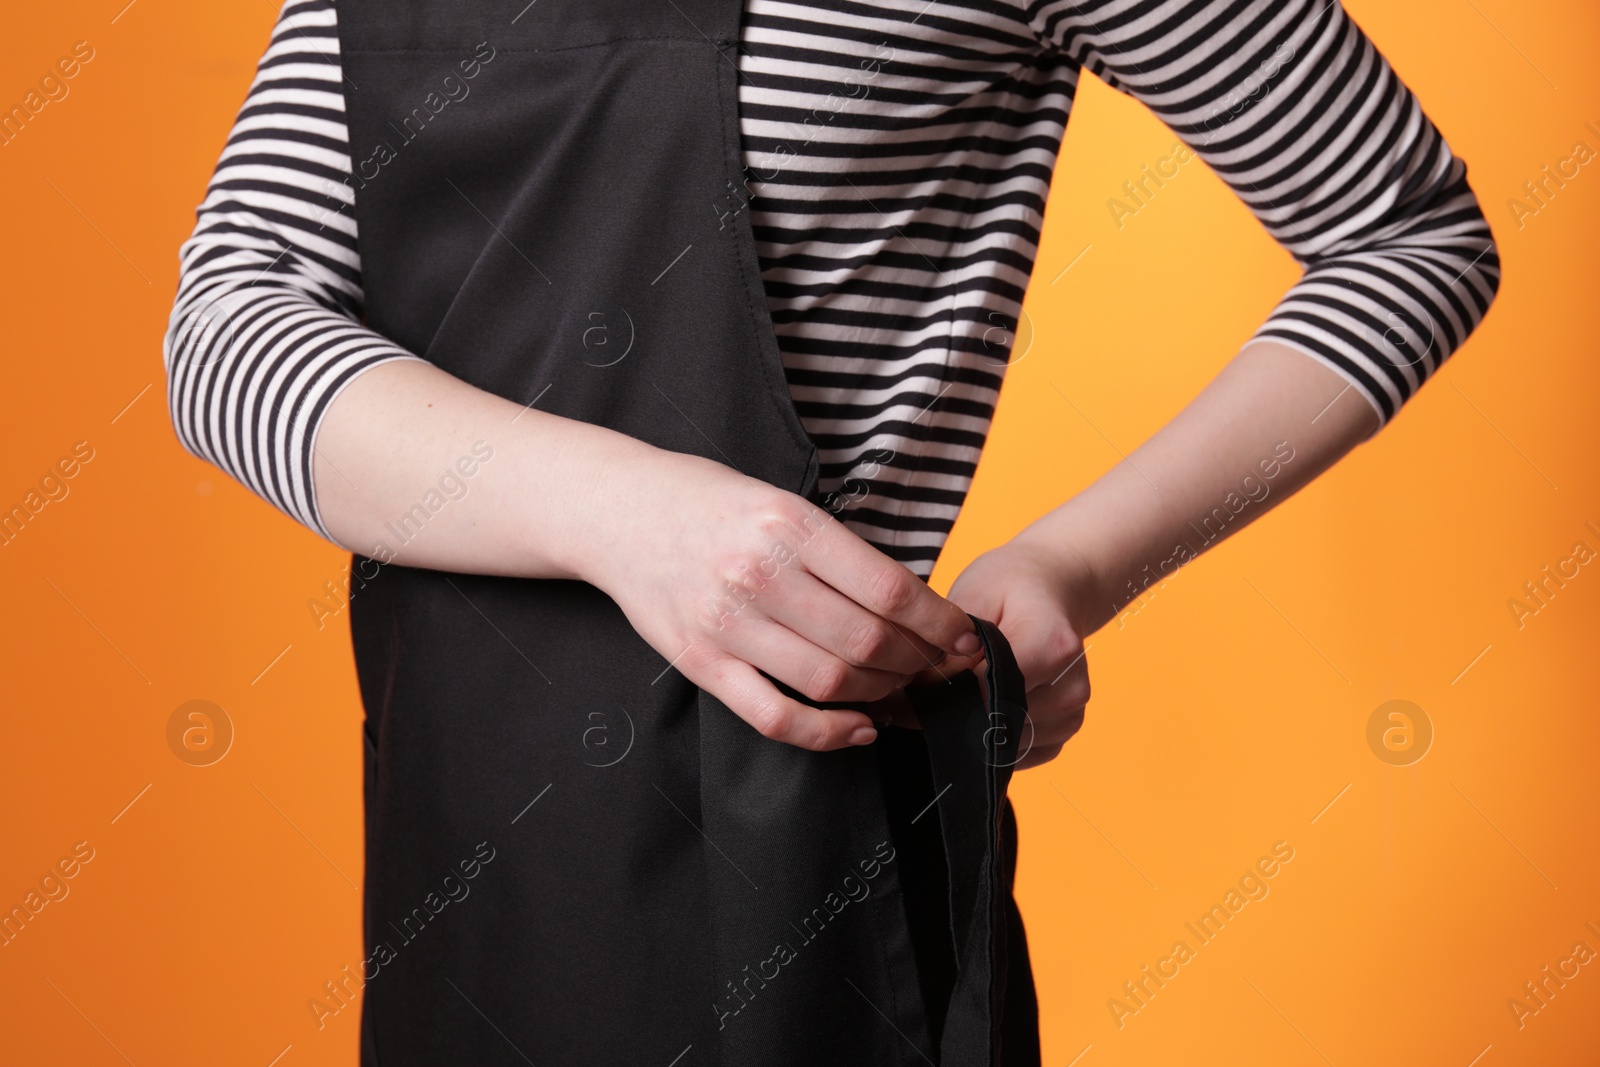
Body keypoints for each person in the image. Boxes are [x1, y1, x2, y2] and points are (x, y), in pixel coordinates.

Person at [162, 1, 1498, 1063]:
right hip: (470, 854)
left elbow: (1408, 233)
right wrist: (630, 514)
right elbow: (228, 327)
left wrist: (1072, 565)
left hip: (801, 853)